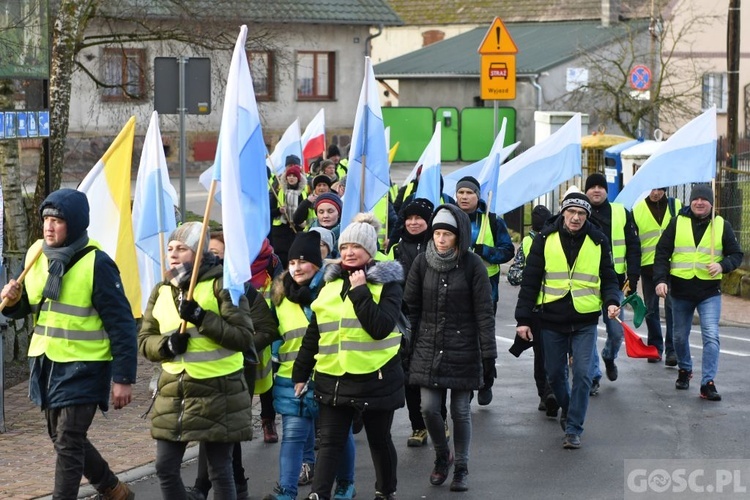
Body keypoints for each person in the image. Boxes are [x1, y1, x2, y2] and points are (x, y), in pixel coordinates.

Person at [0, 188, 137, 500]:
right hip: (47, 364)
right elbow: (30, 306)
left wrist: (124, 378)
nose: (49, 226)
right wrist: (12, 302)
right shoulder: (37, 254)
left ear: (74, 224)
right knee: (61, 437)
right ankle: (113, 489)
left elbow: (122, 325)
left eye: (57, 220)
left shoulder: (97, 264)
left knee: (69, 440)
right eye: (46, 218)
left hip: (86, 367)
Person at [137, 222, 256, 499]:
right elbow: (145, 340)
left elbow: (243, 338)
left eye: (182, 248)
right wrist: (166, 345)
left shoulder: (224, 284)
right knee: (165, 468)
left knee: (220, 471)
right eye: (170, 249)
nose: (174, 254)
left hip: (218, 390)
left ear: (200, 252)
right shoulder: (162, 289)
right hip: (173, 392)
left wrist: (203, 318)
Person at [293, 213, 405, 500]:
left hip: (376, 376)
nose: (349, 252)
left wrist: (360, 291)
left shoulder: (388, 283)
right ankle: (319, 495)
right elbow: (315, 333)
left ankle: (385, 490)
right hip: (334, 377)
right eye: (344, 247)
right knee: (329, 442)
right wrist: (301, 372)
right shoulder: (329, 285)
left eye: (356, 246)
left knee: (379, 440)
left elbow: (380, 328)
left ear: (370, 250)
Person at [515, 189, 620, 449]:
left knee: (583, 375)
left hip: (584, 319)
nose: (575, 217)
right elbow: (530, 282)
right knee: (554, 375)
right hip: (551, 319)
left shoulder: (598, 240)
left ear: (587, 216)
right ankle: (569, 408)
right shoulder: (544, 238)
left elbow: (609, 277)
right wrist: (523, 319)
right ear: (562, 213)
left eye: (581, 213)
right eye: (571, 212)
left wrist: (612, 302)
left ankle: (573, 428)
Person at [404, 204, 496, 492]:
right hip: (428, 347)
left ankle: (462, 467)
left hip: (465, 349)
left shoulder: (473, 265)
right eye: (437, 233)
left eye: (447, 234)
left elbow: (484, 312)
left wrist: (488, 356)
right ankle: (442, 455)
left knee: (460, 411)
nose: (441, 239)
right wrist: (408, 345)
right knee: (429, 408)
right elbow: (411, 307)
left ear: (459, 237)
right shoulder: (421, 263)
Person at [263, 232, 357, 500]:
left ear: (318, 263)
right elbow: (272, 332)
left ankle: (345, 484)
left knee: (337, 437)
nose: (297, 267)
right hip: (292, 379)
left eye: (303, 261)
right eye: (292, 262)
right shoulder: (279, 296)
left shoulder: (334, 289)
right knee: (292, 437)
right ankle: (286, 491)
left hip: (331, 374)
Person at [188, 232, 280, 500]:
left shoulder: (243, 290)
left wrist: (241, 343)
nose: (213, 257)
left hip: (236, 371)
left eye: (218, 253)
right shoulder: (193, 289)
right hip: (204, 371)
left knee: (223, 431)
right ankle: (232, 485)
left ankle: (207, 487)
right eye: (209, 252)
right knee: (215, 430)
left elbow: (267, 328)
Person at [653, 184, 743, 401]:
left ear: (711, 203)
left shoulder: (722, 225)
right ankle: (685, 369)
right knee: (679, 337)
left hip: (709, 291)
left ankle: (708, 383)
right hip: (681, 291)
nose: (700, 202)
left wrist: (722, 266)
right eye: (696, 199)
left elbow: (736, 254)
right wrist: (661, 280)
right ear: (690, 201)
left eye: (704, 199)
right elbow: (662, 252)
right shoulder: (677, 223)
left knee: (711, 335)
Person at [386, 198, 447, 448]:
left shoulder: (437, 245)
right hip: (405, 320)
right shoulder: (396, 248)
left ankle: (439, 420)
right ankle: (418, 426)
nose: (413, 222)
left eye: (418, 218)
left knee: (435, 373)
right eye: (409, 218)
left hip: (434, 317)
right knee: (409, 374)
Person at [584, 172, 641, 395]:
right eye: (592, 187)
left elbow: (634, 247)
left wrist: (633, 277)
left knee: (616, 332)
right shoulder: (579, 214)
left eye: (600, 186)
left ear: (607, 191)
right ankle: (594, 375)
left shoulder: (620, 213)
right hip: (586, 285)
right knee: (587, 333)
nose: (596, 190)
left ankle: (609, 356)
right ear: (586, 190)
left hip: (614, 284)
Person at [507, 204, 559, 417]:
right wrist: (532, 274)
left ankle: (551, 392)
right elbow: (514, 275)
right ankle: (546, 395)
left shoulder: (558, 242)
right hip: (537, 307)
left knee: (550, 354)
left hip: (557, 306)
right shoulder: (529, 243)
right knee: (542, 353)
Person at [632, 188, 682, 366]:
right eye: (653, 189)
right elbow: (633, 241)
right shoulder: (637, 210)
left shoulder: (675, 205)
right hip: (648, 267)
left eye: (660, 189)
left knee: (671, 308)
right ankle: (654, 347)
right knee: (651, 309)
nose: (656, 193)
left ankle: (672, 350)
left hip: (672, 265)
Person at [453, 176, 514, 314]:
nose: (464, 197)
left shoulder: (493, 221)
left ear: (478, 195)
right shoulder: (448, 217)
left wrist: (486, 251)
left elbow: (508, 251)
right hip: (453, 288)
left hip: (486, 290)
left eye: (469, 193)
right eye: (460, 192)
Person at [270, 159, 307, 268]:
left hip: (296, 230)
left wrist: (303, 223)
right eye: (289, 176)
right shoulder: (278, 193)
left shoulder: (303, 194)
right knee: (281, 260)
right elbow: (269, 212)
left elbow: (308, 213)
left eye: (294, 176)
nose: (291, 178)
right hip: (280, 231)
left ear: (298, 179)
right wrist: (279, 211)